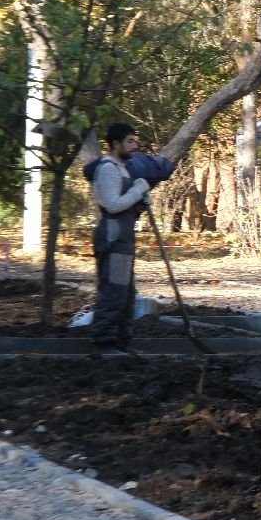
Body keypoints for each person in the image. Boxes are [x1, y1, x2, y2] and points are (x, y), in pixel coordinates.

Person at [88, 123, 150, 356]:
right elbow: (113, 205)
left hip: (124, 237)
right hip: (113, 238)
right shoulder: (107, 169)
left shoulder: (123, 169)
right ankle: (104, 343)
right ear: (116, 144)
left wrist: (140, 204)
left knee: (127, 292)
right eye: (130, 141)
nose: (135, 145)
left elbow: (125, 207)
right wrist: (137, 191)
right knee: (114, 290)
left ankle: (123, 343)